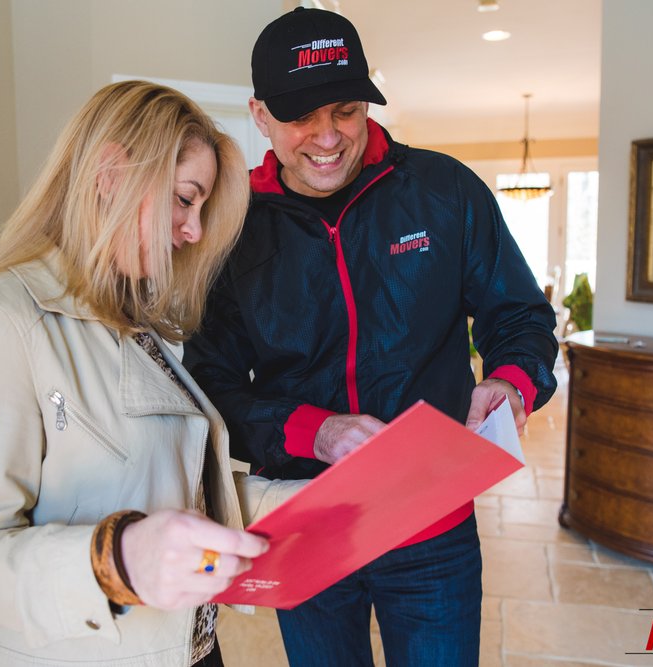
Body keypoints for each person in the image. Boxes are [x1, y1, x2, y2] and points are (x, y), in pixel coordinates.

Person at [184, 8, 559, 666]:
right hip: (307, 519)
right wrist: (315, 432)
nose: (328, 136)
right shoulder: (233, 228)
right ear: (260, 116)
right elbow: (209, 387)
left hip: (432, 522)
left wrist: (511, 380)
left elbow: (521, 315)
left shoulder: (445, 190)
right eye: (302, 116)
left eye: (347, 110)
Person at [0, 80, 280, 667]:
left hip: (188, 649)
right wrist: (118, 560)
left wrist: (310, 500)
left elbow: (178, 488)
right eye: (185, 200)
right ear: (110, 174)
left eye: (200, 209)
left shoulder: (135, 323)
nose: (194, 231)